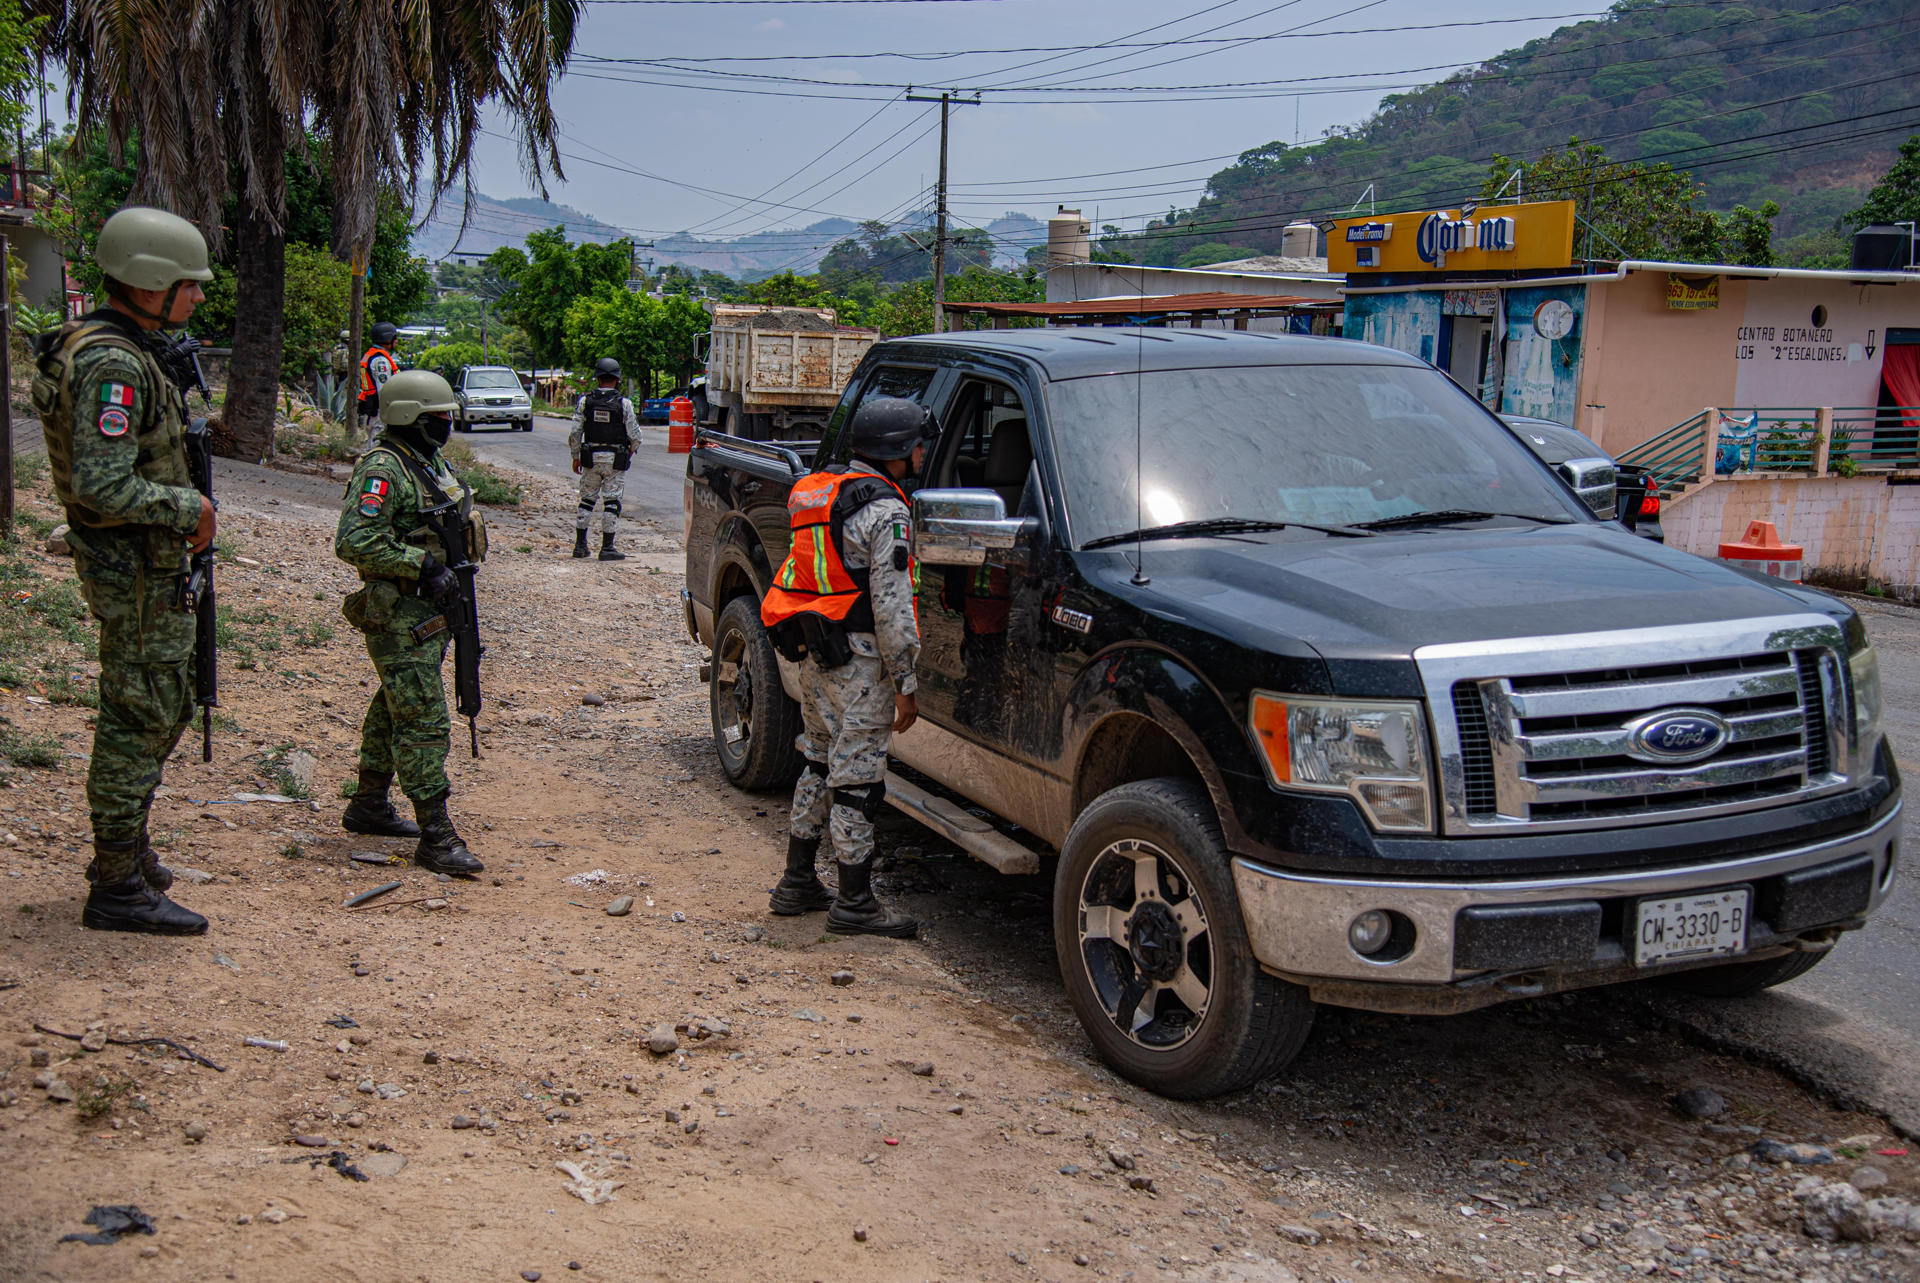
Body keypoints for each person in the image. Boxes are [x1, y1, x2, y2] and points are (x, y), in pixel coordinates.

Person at [29, 206, 216, 934]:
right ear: (147, 281)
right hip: (134, 568)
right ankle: (115, 884)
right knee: (138, 712)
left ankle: (127, 850)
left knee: (159, 703)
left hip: (147, 565)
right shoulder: (111, 363)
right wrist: (188, 509)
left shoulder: (128, 348)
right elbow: (102, 486)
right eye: (186, 285)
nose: (196, 298)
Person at [760, 396, 931, 938]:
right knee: (858, 780)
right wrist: (906, 682)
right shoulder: (888, 512)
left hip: (818, 654)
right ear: (899, 452)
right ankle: (855, 902)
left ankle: (797, 881)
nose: (924, 451)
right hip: (861, 665)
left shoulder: (820, 492)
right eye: (918, 443)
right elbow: (892, 606)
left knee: (816, 761)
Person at [333, 369, 486, 875]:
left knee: (394, 704)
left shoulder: (425, 460)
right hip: (400, 612)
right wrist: (421, 565)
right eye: (439, 417)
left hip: (431, 612)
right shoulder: (384, 468)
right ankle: (436, 836)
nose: (447, 424)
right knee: (422, 720)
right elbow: (353, 540)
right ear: (410, 418)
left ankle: (369, 803)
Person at [568, 356, 641, 561]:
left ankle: (580, 545)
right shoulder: (624, 404)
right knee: (612, 502)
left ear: (598, 378)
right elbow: (635, 436)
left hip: (590, 458)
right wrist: (630, 451)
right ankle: (607, 547)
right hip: (615, 460)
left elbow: (575, 433)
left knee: (587, 500)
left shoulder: (585, 402)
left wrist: (576, 457)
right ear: (617, 379)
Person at [358, 321, 401, 429]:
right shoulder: (380, 360)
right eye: (394, 338)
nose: (396, 341)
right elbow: (384, 389)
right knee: (378, 441)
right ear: (387, 339)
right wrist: (389, 413)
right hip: (379, 412)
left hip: (373, 408)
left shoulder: (371, 354)